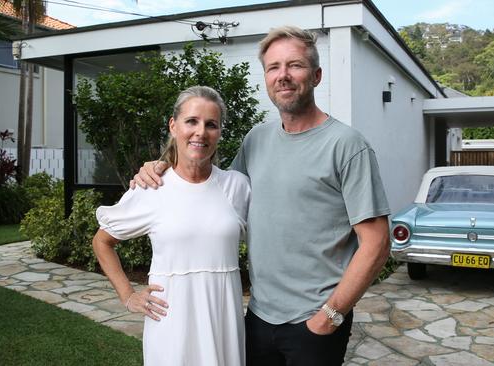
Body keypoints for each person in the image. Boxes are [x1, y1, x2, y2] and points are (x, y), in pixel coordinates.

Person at [133, 26, 390, 366]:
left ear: (316, 75)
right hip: (258, 319)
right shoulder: (257, 140)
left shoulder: (346, 146)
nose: (283, 76)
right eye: (273, 67)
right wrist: (163, 164)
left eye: (294, 65)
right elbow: (213, 184)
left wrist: (330, 315)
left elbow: (377, 244)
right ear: (266, 78)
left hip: (314, 323)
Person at [93, 86, 250, 366]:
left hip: (224, 323)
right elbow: (102, 241)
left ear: (219, 133)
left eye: (211, 124)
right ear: (173, 125)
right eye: (192, 121)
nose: (201, 132)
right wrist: (128, 296)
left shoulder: (236, 186)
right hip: (171, 327)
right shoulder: (152, 187)